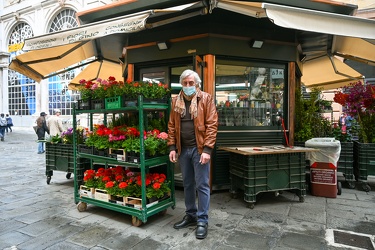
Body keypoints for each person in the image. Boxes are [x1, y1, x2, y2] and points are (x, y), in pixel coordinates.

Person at [167, 69, 218, 239]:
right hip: (183, 150)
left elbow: (212, 125)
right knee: (187, 184)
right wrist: (172, 147)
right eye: (185, 83)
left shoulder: (206, 98)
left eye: (191, 83)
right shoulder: (176, 101)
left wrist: (207, 150)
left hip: (200, 150)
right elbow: (172, 126)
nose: (188, 86)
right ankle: (191, 215)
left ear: (197, 84)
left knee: (202, 185)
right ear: (182, 84)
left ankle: (202, 220)